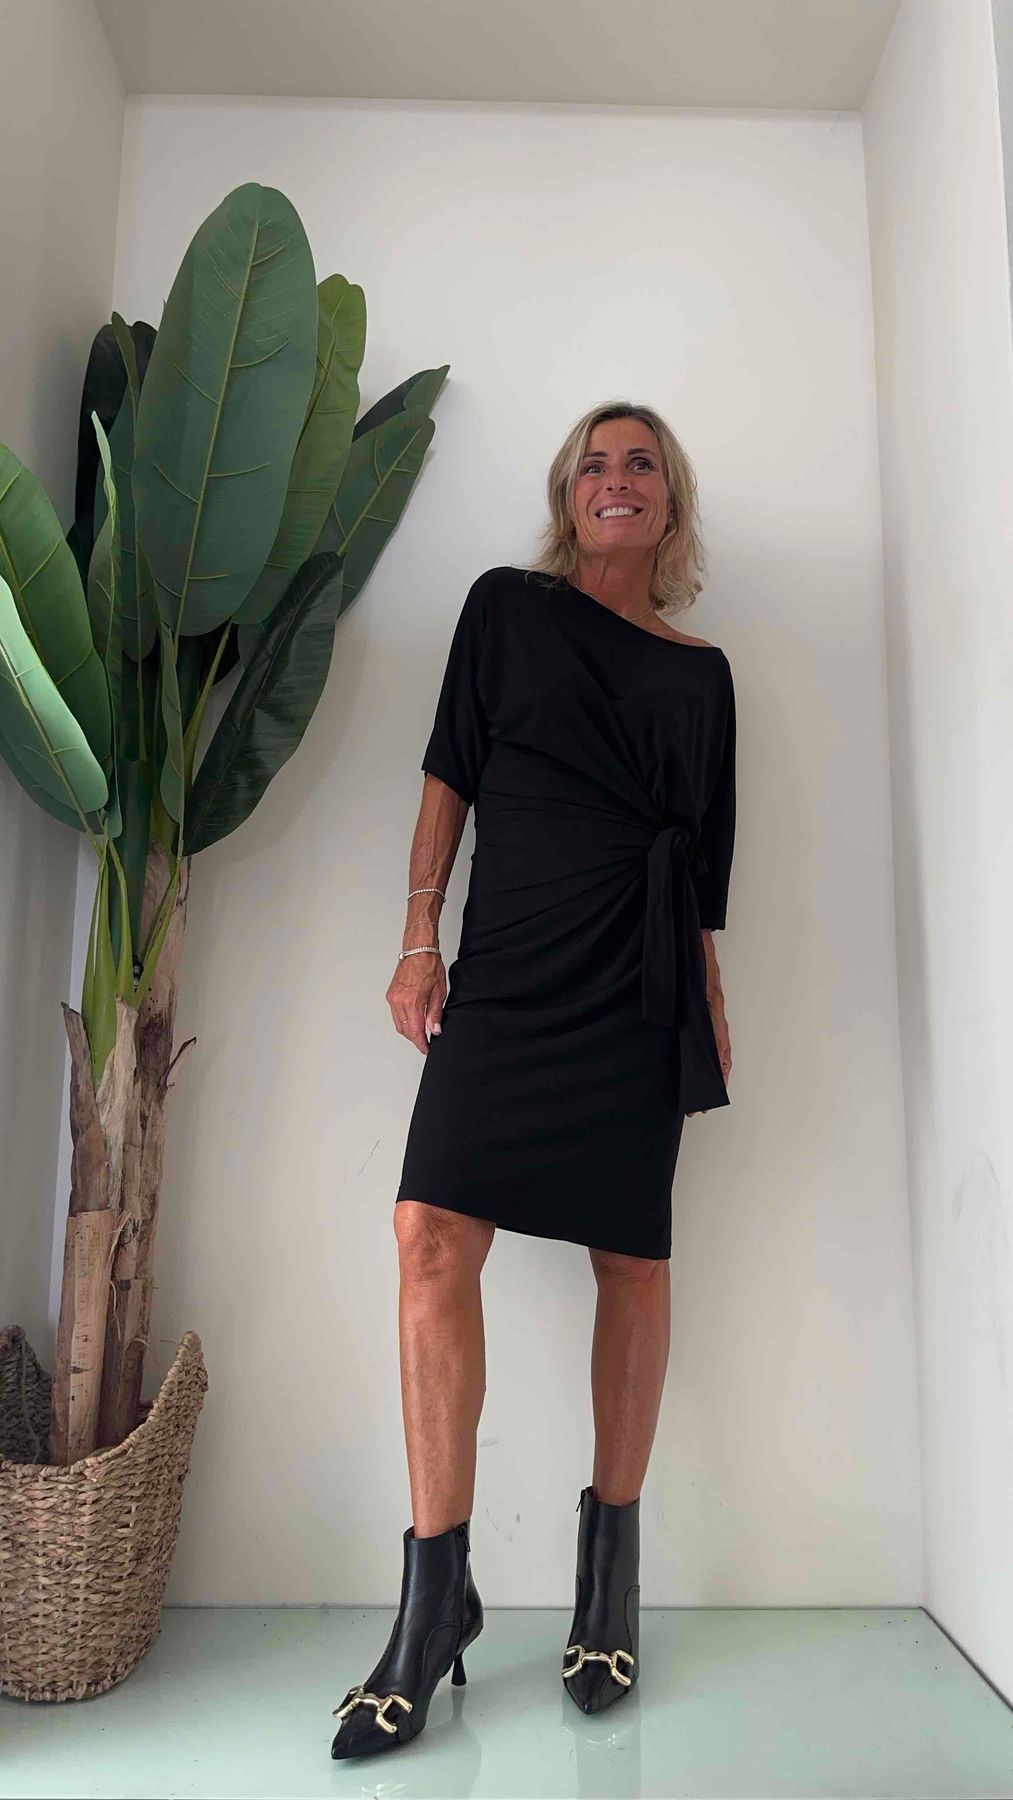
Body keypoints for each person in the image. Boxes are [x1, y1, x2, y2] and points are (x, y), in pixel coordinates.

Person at [331, 401, 736, 1760]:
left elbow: (706, 866)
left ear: (669, 504)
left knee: (631, 1260)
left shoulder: (703, 675)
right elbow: (450, 772)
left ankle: (607, 1585)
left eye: (641, 465)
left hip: (636, 983)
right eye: (593, 465)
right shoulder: (505, 610)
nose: (616, 481)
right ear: (569, 499)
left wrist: (707, 1001)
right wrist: (417, 937)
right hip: (508, 972)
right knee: (429, 1232)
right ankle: (432, 1600)